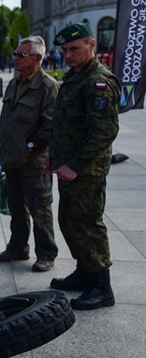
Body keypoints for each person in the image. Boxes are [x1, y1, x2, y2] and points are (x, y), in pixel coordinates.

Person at [47, 23, 119, 310]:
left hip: (86, 170)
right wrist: (52, 156)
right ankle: (84, 271)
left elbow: (105, 131)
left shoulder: (98, 81)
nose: (68, 55)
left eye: (74, 49)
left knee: (88, 225)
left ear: (92, 45)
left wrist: (75, 165)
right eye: (64, 50)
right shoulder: (75, 77)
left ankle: (102, 287)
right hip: (67, 166)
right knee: (69, 221)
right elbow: (66, 124)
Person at [0, 36, 59, 272]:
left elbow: (50, 125)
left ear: (38, 59)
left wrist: (30, 146)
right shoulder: (14, 83)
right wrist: (3, 151)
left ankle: (46, 254)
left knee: (40, 208)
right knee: (16, 207)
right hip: (12, 158)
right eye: (16, 54)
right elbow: (6, 120)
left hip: (34, 162)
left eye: (21, 55)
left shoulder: (48, 87)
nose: (15, 59)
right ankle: (18, 246)